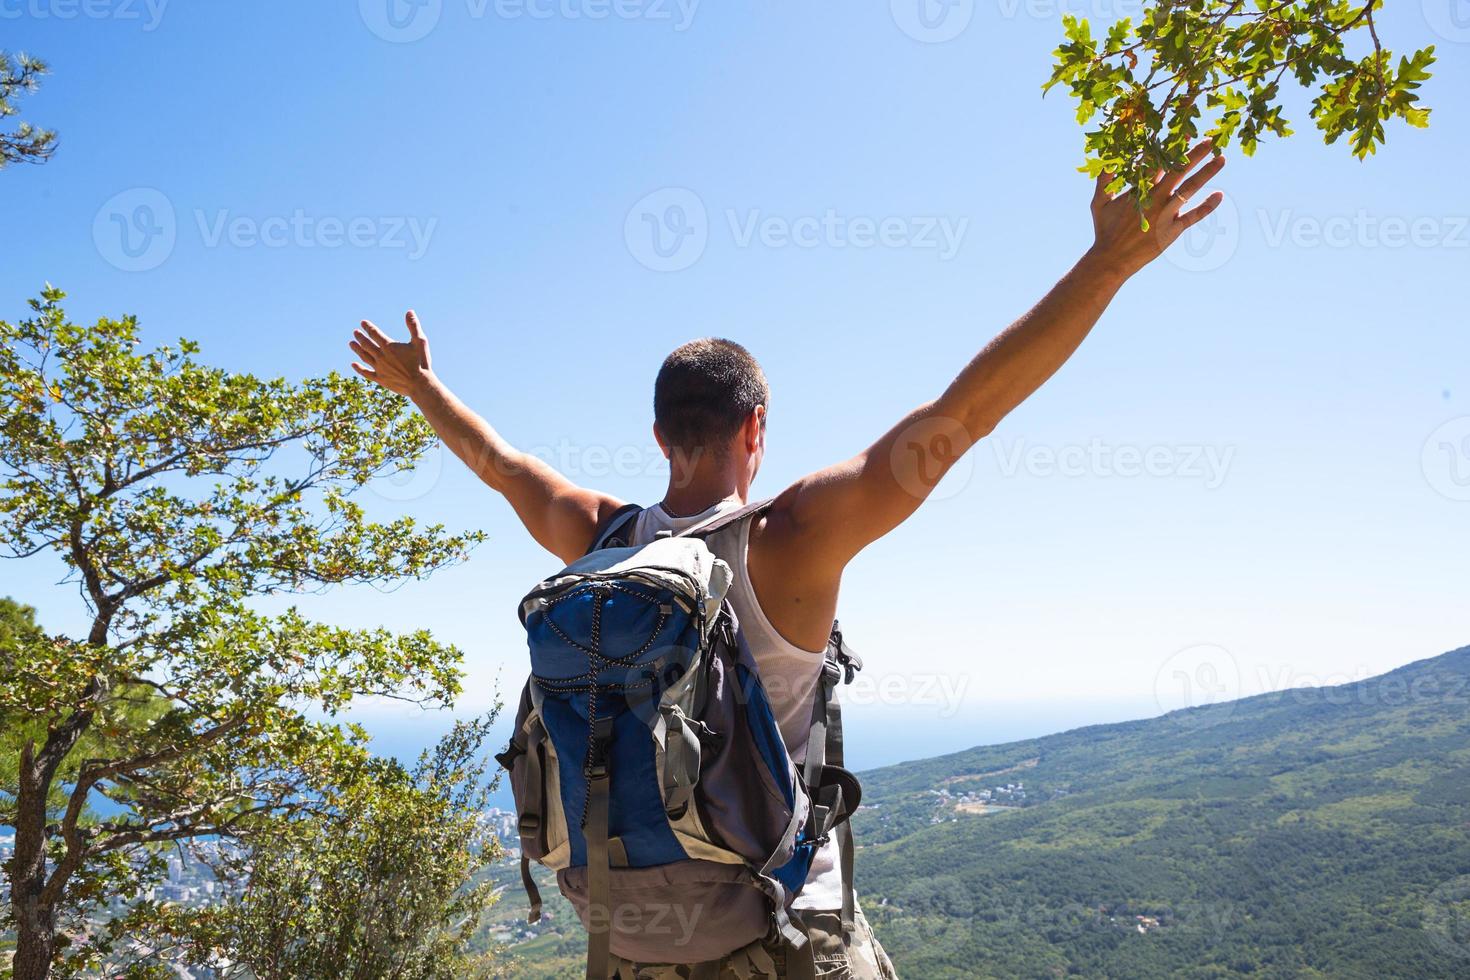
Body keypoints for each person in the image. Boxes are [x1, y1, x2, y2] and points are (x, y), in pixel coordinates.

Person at [347, 145, 1226, 978]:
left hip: (633, 935)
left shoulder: (600, 540)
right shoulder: (792, 535)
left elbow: (505, 468)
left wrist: (423, 386)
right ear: (754, 427)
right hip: (783, 928)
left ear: (659, 435)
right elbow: (961, 416)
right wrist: (1108, 263)